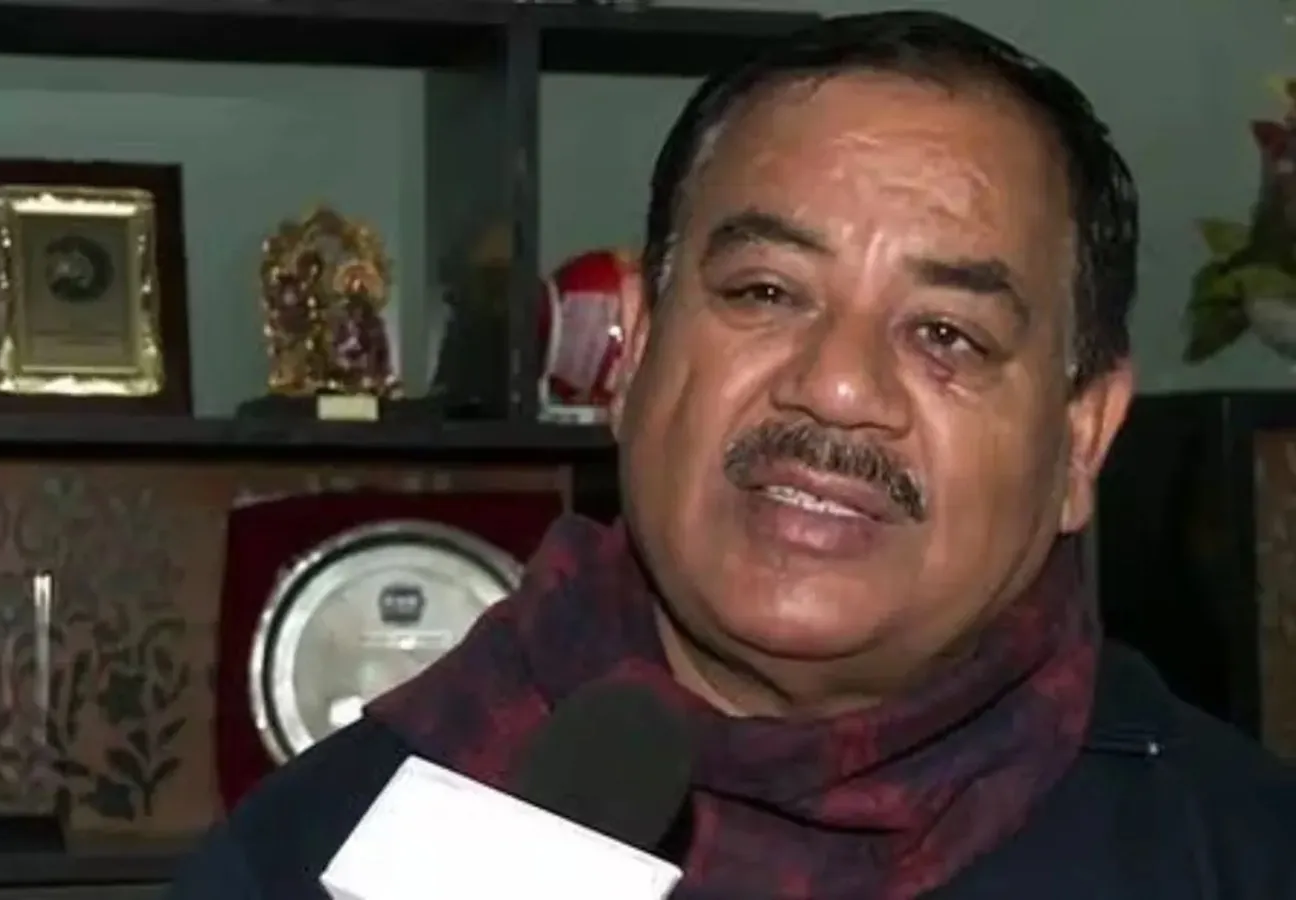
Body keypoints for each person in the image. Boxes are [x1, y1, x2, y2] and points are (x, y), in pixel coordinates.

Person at [170, 10, 1295, 899]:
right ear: (633, 357)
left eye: (947, 335)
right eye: (764, 292)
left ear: (1081, 439)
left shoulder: (1238, 855)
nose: (837, 387)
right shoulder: (319, 857)